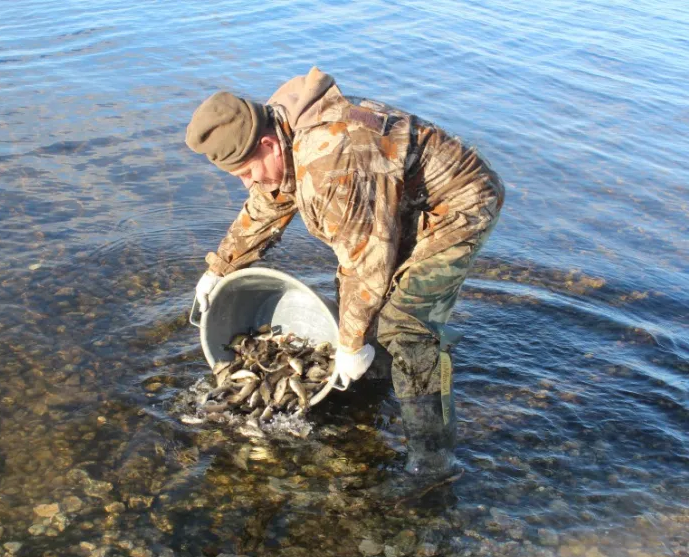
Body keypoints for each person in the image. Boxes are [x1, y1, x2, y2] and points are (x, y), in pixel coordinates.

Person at [185, 67, 504, 489]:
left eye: (247, 171)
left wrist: (352, 344)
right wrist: (219, 268)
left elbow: (367, 261)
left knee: (405, 326)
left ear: (266, 143)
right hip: (398, 198)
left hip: (456, 203)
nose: (249, 183)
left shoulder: (331, 160)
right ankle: (372, 390)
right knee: (362, 312)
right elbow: (269, 203)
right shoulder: (278, 135)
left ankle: (433, 464)